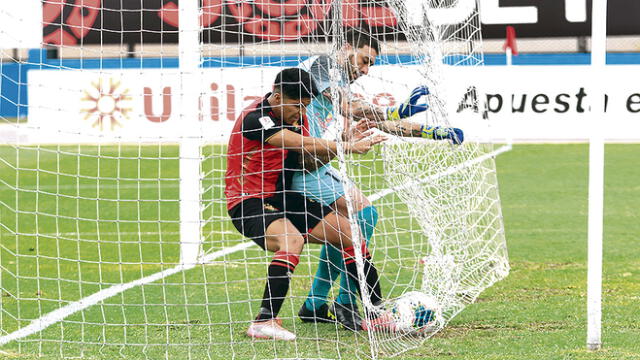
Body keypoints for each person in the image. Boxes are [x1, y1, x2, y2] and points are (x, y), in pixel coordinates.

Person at [294, 28, 464, 331]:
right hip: (296, 166)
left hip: (314, 163)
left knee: (358, 219)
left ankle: (317, 302)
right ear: (345, 47)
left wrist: (430, 132)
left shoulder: (340, 82)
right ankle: (342, 301)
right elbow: (351, 108)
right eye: (363, 60)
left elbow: (374, 119)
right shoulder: (321, 66)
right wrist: (397, 108)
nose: (365, 70)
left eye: (369, 64)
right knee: (361, 216)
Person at [225, 68, 389, 341]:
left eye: (305, 105)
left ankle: (376, 314)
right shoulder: (255, 118)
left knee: (350, 233)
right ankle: (264, 321)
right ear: (277, 97)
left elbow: (306, 158)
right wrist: (346, 147)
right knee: (291, 239)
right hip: (248, 202)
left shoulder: (298, 118)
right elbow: (293, 141)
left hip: (282, 197)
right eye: (296, 105)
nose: (301, 111)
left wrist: (343, 141)